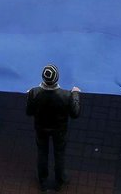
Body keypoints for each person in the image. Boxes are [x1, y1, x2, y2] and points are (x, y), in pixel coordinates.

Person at [25, 64, 81, 192]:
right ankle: (59, 181)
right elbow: (75, 113)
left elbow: (29, 112)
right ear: (57, 78)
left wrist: (29, 97)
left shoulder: (35, 93)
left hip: (41, 128)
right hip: (59, 130)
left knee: (42, 153)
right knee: (59, 154)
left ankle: (43, 182)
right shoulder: (66, 95)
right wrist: (76, 95)